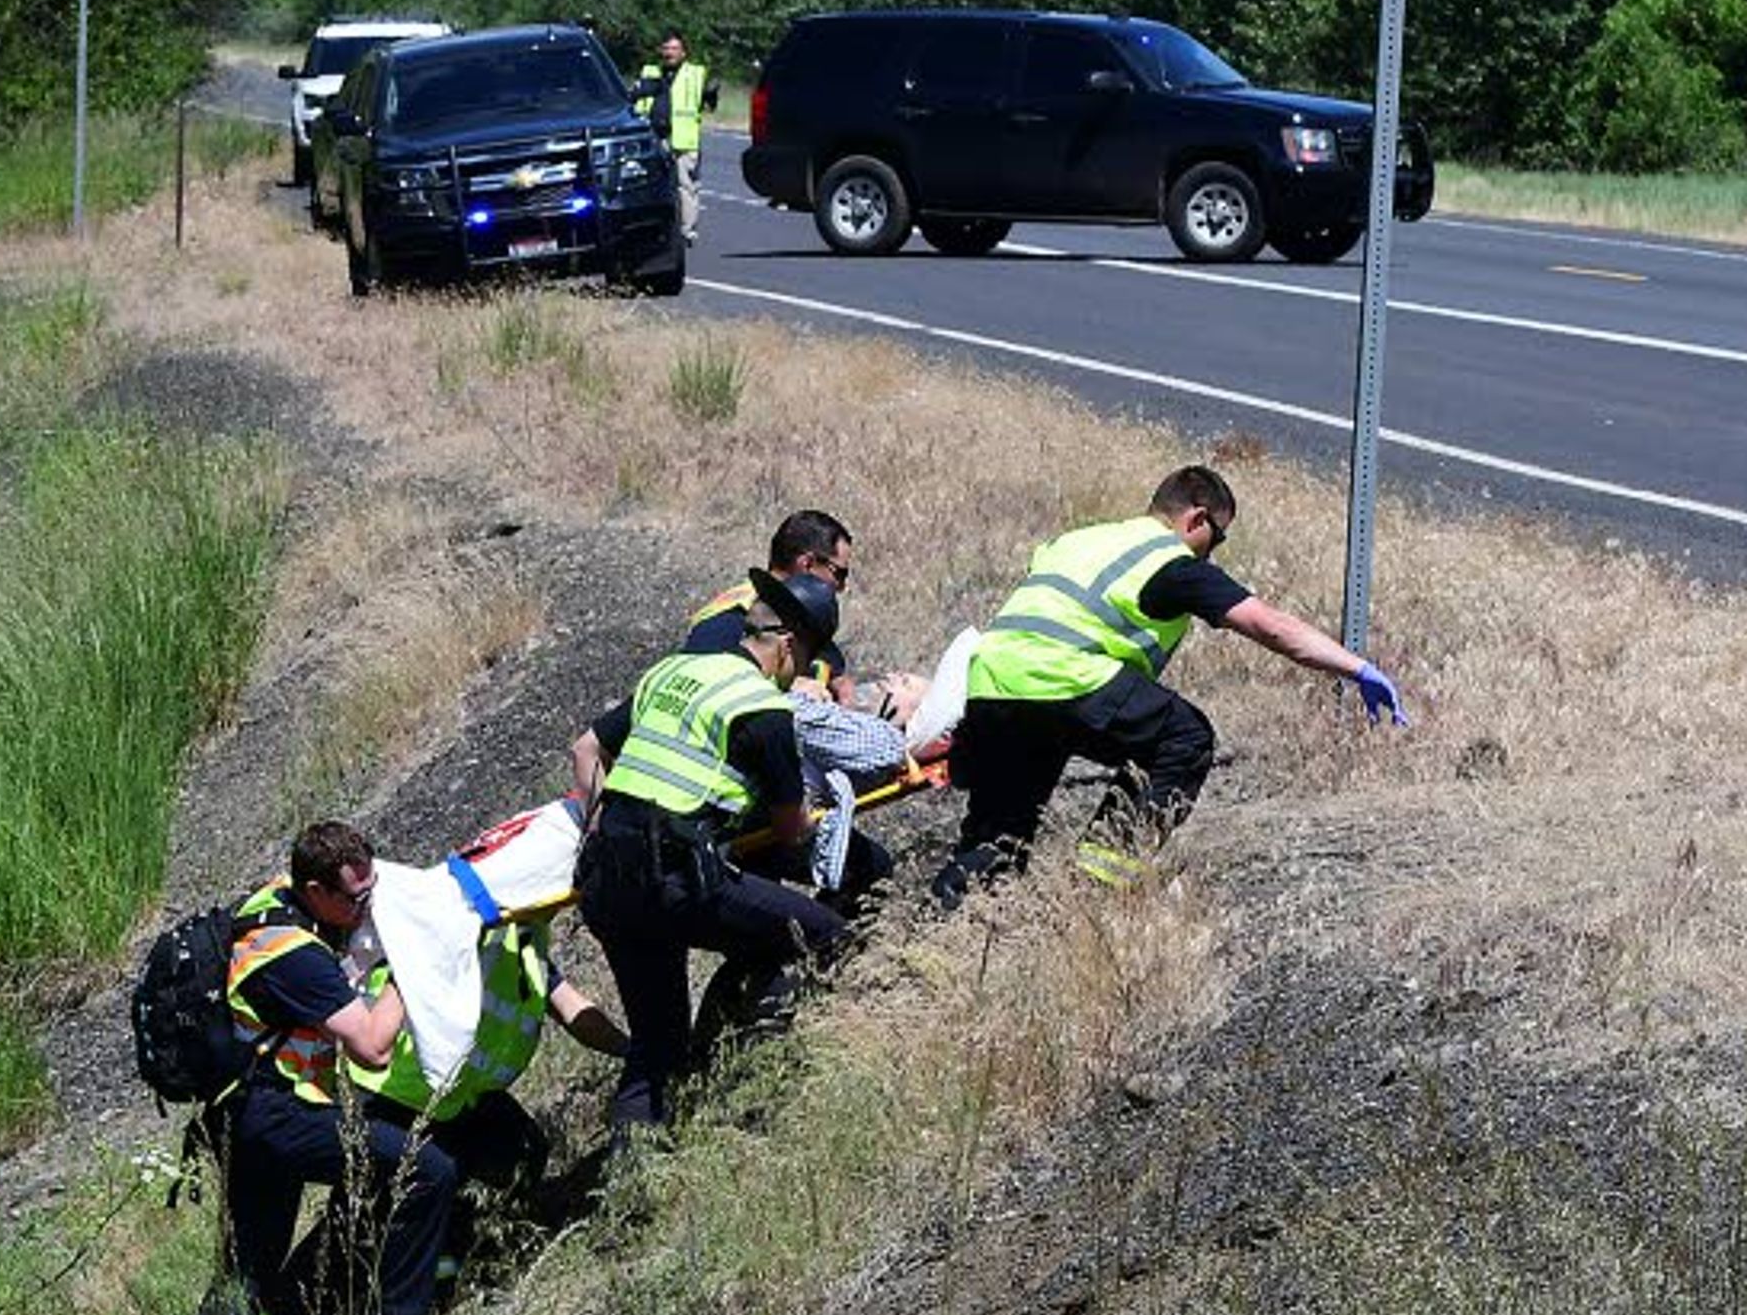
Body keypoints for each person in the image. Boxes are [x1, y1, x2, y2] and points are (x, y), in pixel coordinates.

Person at [931, 464, 1409, 905]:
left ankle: (949, 929)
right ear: (1197, 519)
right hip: (1067, 678)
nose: (1213, 551)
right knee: (1185, 737)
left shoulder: (1081, 539)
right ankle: (1098, 886)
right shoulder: (1169, 562)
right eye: (1217, 538)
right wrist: (1357, 669)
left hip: (991, 684)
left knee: (996, 837)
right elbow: (1269, 626)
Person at [158, 822, 451, 1315]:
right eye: (353, 899)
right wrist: (409, 971)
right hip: (275, 1115)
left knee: (245, 1275)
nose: (363, 907)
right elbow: (372, 1046)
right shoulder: (290, 953)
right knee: (424, 1170)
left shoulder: (269, 907)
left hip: (246, 1116)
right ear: (315, 890)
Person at [571, 572, 850, 1133]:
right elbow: (792, 828)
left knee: (658, 1045)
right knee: (823, 935)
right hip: (676, 877)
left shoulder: (671, 672)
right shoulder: (762, 708)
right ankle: (756, 1078)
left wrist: (600, 819)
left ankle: (632, 1181)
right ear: (788, 647)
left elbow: (587, 748)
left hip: (604, 875)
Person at [346, 833, 627, 1262]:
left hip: (453, 1093)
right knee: (413, 1191)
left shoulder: (523, 942)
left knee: (521, 1152)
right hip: (401, 1094)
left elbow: (575, 1012)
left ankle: (468, 1257)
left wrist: (636, 1051)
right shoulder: (463, 938)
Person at [637, 33, 716, 247]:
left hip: (684, 139)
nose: (670, 53)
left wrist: (711, 94)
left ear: (683, 52)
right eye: (666, 48)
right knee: (651, 185)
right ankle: (654, 228)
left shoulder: (696, 74)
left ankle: (686, 230)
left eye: (674, 48)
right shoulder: (650, 72)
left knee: (686, 186)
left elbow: (709, 103)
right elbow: (637, 101)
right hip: (655, 136)